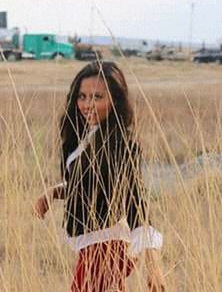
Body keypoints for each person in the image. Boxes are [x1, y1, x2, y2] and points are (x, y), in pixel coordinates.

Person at [34, 61, 165, 291]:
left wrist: (154, 266)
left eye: (97, 97)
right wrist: (54, 192)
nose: (87, 105)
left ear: (114, 100)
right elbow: (93, 183)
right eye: (82, 96)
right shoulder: (88, 137)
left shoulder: (122, 145)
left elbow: (137, 204)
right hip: (94, 250)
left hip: (105, 251)